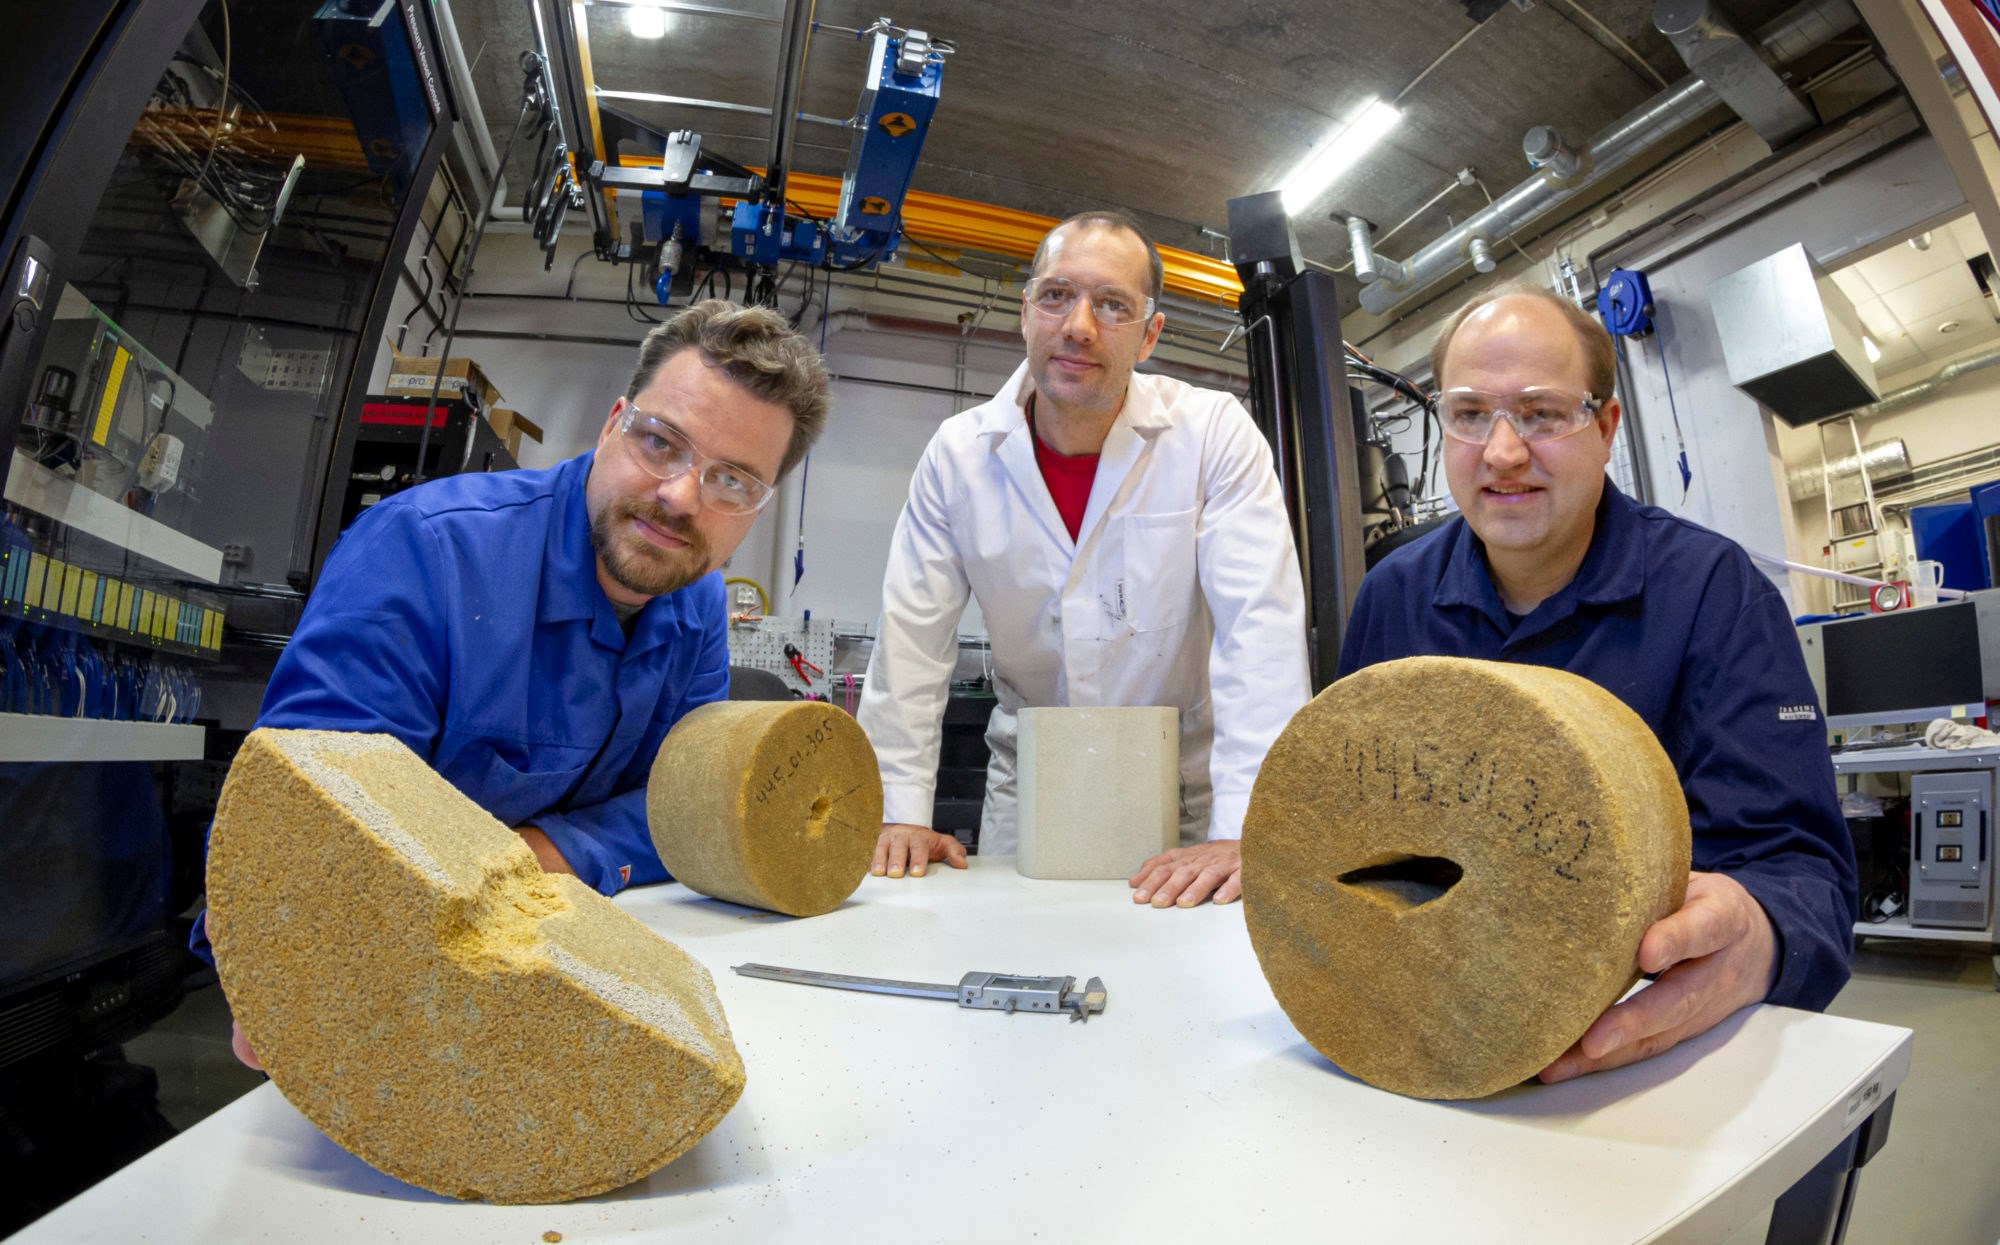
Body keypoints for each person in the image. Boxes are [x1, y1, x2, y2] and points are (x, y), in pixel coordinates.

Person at [207, 299, 828, 1066]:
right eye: (661, 442)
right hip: (378, 1003)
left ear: (758, 510)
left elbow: (677, 805)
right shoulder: (425, 554)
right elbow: (299, 833)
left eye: (732, 481)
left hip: (549, 980)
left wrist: (540, 851)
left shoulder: (695, 604)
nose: (679, 496)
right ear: (612, 425)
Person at [1338, 283, 1857, 1083]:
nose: (1504, 451)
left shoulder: (1713, 594)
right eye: (1470, 414)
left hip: (1634, 1056)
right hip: (1427, 1035)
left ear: (1605, 426)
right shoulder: (1392, 597)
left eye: (1542, 414)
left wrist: (1757, 936)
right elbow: (1353, 827)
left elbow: (1803, 874)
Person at [857, 211, 1309, 908]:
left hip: (1190, 792)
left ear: (1150, 334)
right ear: (1025, 312)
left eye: (1113, 305)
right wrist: (900, 811)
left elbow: (1262, 632)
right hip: (1034, 784)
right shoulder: (959, 455)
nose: (1078, 325)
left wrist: (1248, 826)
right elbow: (912, 639)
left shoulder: (1214, 434)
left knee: (1184, 990)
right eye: (1058, 295)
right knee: (1018, 968)